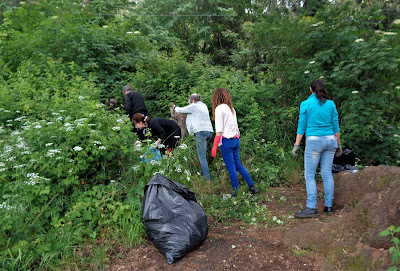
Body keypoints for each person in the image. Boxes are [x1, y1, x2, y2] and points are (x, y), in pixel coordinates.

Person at [292, 79, 342, 218]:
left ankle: (311, 207)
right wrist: (339, 144)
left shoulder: (306, 104)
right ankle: (328, 206)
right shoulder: (331, 104)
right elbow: (335, 126)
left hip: (314, 142)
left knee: (309, 175)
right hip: (330, 141)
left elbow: (301, 126)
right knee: (326, 173)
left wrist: (296, 145)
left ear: (311, 89)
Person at [211, 87, 259, 196]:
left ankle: (235, 193)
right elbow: (236, 127)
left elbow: (219, 130)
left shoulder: (219, 109)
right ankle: (252, 187)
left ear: (216, 97)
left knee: (231, 168)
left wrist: (214, 146)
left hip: (226, 141)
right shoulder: (231, 108)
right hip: (235, 139)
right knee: (238, 165)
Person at [173, 93, 214, 181]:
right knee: (203, 153)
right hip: (209, 131)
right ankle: (202, 172)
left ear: (192, 101)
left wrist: (174, 107)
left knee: (201, 156)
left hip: (201, 132)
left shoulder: (194, 106)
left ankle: (208, 180)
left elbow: (180, 110)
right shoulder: (204, 106)